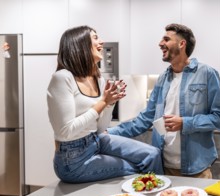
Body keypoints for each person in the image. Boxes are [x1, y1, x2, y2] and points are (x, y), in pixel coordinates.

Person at [108, 23, 220, 178]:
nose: (160, 44)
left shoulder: (207, 74)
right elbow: (145, 119)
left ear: (182, 43)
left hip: (196, 169)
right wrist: (110, 132)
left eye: (166, 39)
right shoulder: (162, 79)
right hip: (162, 166)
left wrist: (185, 123)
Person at [47, 25, 163, 183]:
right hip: (73, 160)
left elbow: (101, 128)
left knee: (152, 155)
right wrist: (103, 102)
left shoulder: (98, 79)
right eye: (95, 38)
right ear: (79, 44)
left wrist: (110, 104)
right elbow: (65, 131)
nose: (101, 42)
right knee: (140, 167)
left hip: (95, 140)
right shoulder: (62, 78)